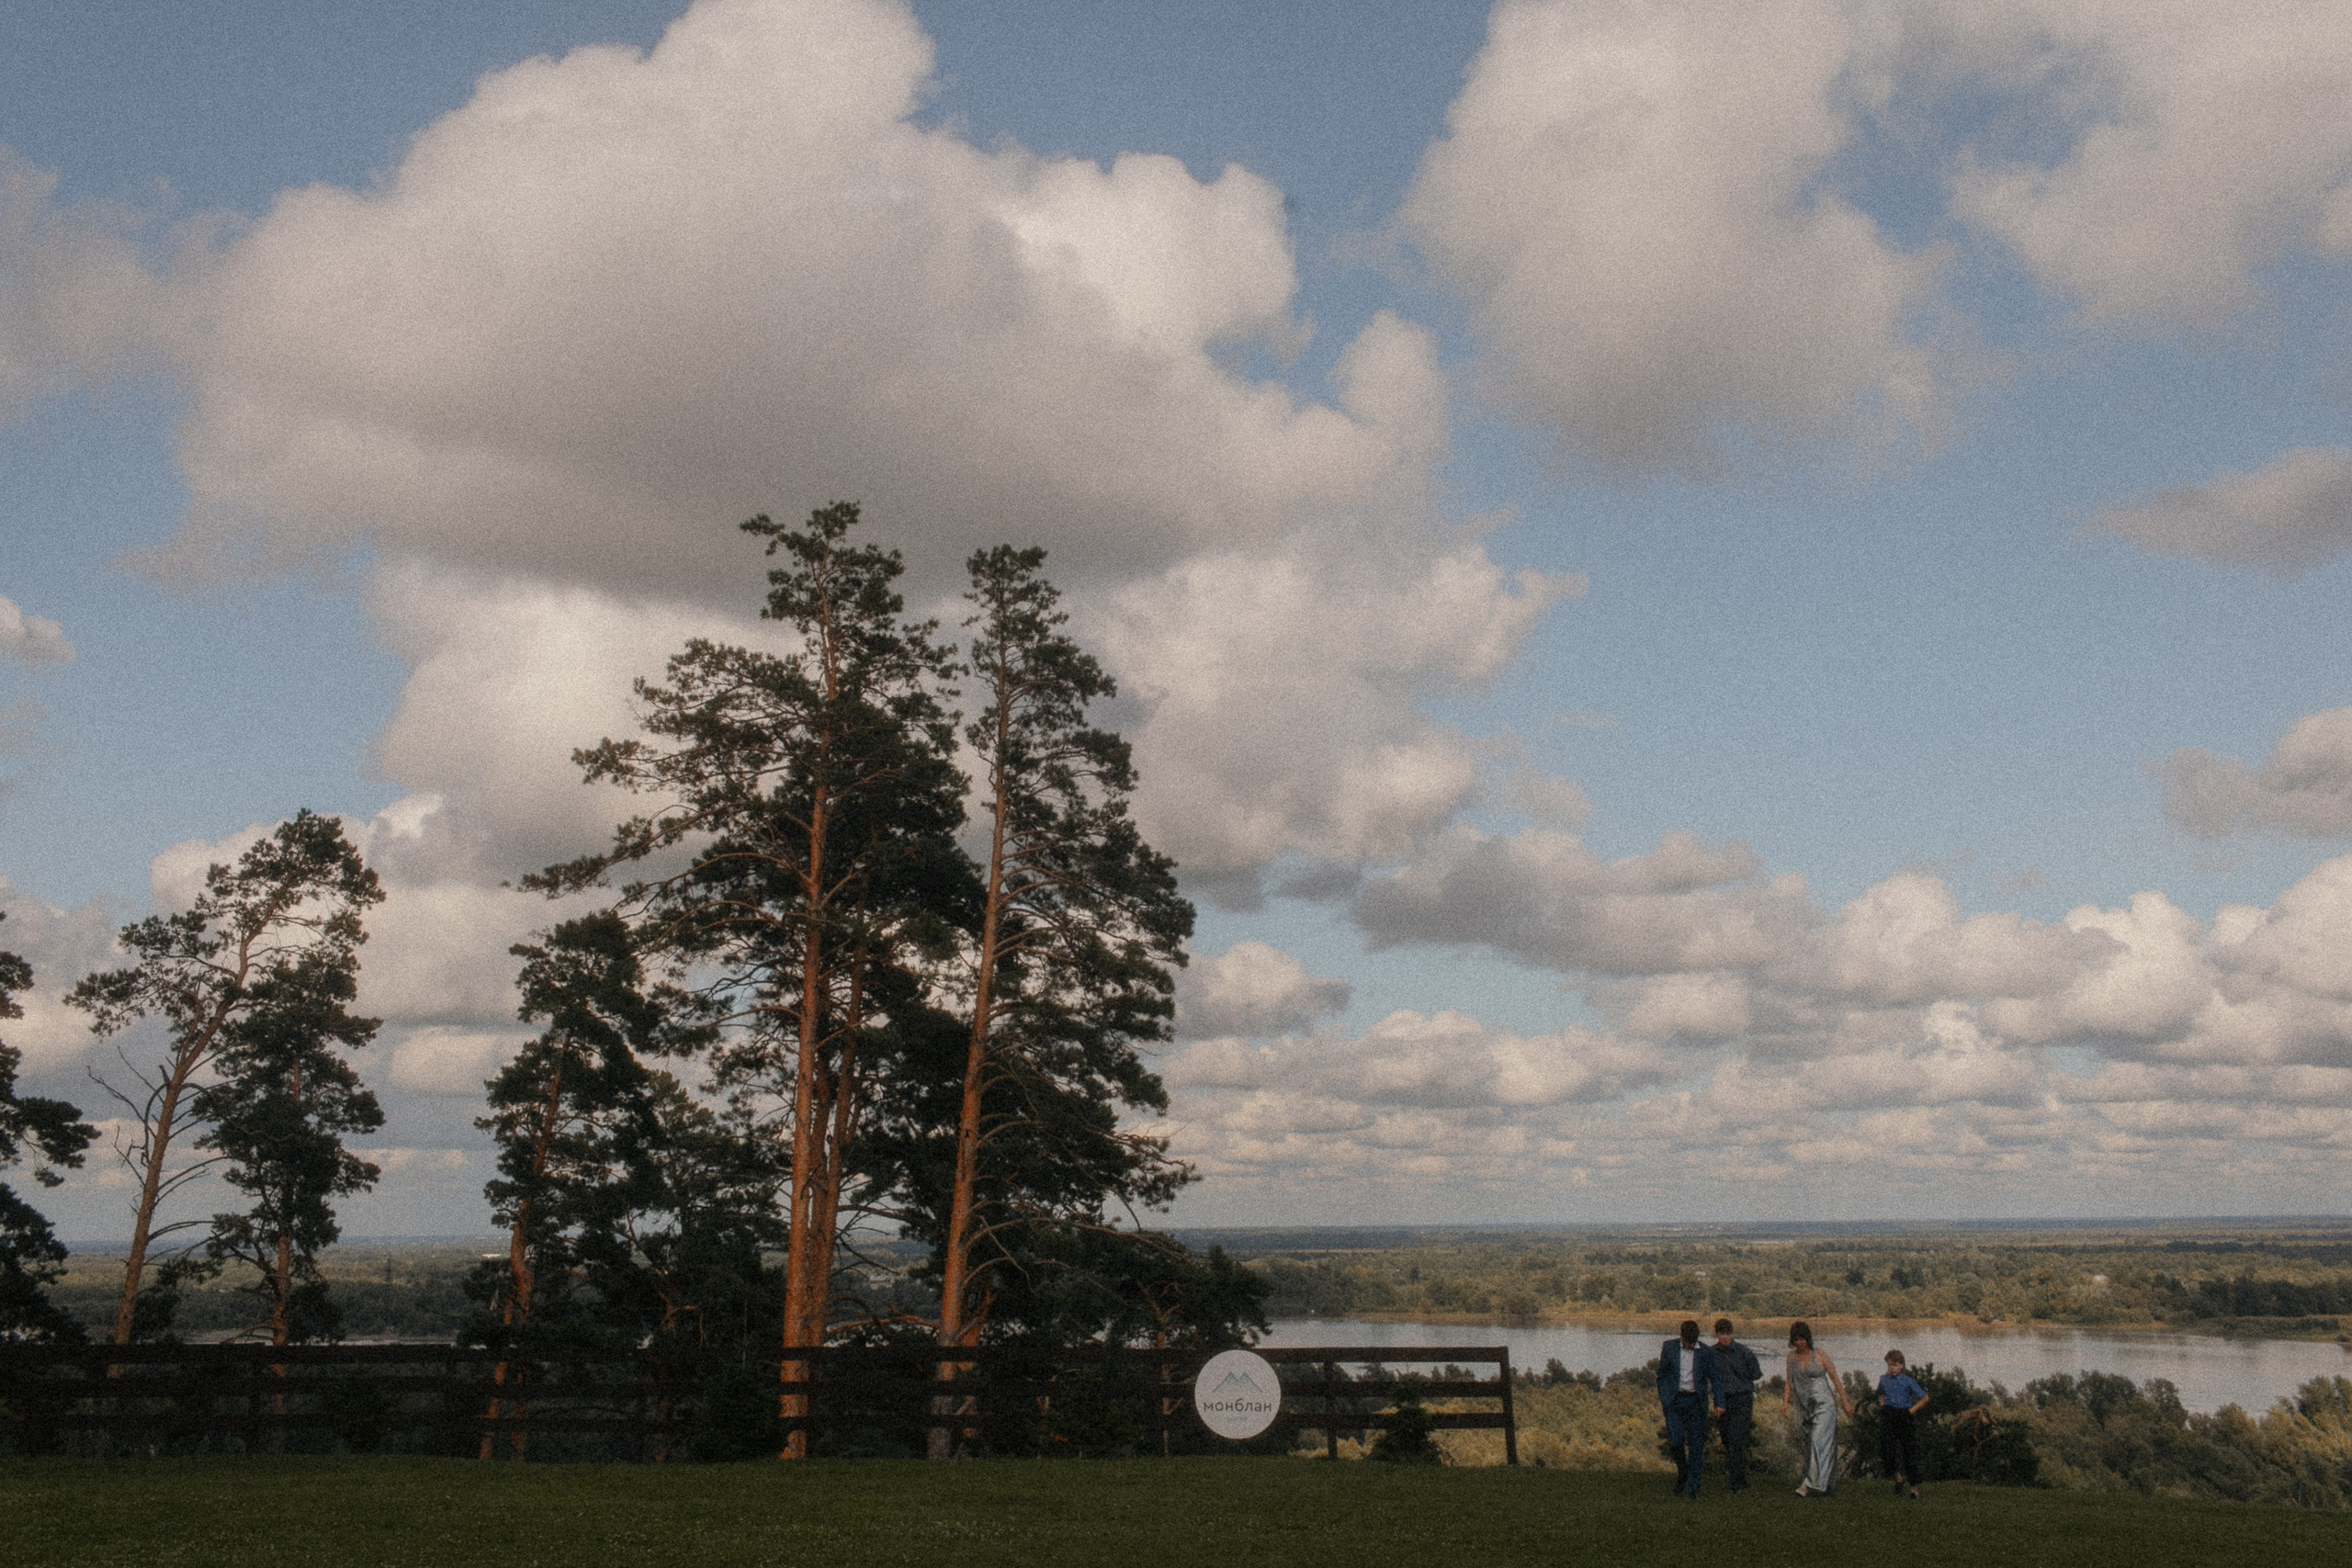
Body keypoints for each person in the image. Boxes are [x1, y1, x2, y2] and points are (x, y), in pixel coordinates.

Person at [1654, 1318, 1722, 1499]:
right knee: (1675, 1441)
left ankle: (1694, 1489)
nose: (1691, 1345)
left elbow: (1715, 1378)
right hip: (1674, 1402)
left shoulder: (1706, 1352)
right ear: (1681, 1336)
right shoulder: (1669, 1347)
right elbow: (1662, 1376)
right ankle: (1683, 1471)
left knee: (1696, 1446)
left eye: (1693, 1342)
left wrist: (1719, 1402)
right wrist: (1665, 1398)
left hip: (1696, 1404)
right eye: (1688, 1342)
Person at [1783, 1321, 1850, 1497]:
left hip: (1825, 1404)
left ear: (1808, 1338)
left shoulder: (1819, 1354)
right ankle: (1826, 1486)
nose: (1800, 1343)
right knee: (1819, 1444)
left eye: (1802, 1339)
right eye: (1796, 1339)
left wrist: (1845, 1402)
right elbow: (1789, 1381)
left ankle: (1808, 1485)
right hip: (1806, 1407)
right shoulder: (1791, 1357)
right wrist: (1785, 1402)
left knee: (1817, 1440)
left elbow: (1835, 1378)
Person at [1711, 1317, 1763, 1493]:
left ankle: (1736, 1484)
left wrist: (1741, 1378)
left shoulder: (1744, 1352)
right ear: (1717, 1334)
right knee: (1727, 1440)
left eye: (1728, 1334)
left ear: (1732, 1334)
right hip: (1722, 1401)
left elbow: (1756, 1374)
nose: (1725, 1337)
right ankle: (1740, 1480)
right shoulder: (1711, 1353)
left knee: (1736, 1440)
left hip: (1742, 1400)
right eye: (1722, 1334)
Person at [1877, 1349, 1928, 1499]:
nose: (1892, 1368)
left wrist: (1911, 1411)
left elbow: (1925, 1398)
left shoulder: (1908, 1381)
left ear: (1901, 1366)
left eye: (1895, 1365)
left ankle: (1914, 1489)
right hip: (1889, 1415)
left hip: (1904, 1416)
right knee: (1887, 1450)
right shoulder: (1884, 1380)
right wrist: (1883, 1406)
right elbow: (1880, 1393)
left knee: (1909, 1452)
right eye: (1889, 1365)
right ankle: (1898, 1478)